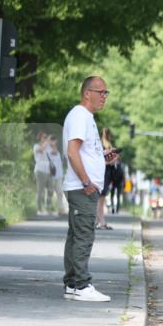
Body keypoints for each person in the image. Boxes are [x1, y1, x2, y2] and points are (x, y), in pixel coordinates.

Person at [62, 76, 117, 301]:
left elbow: (84, 152)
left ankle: (72, 284)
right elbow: (72, 151)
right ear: (87, 93)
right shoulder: (80, 116)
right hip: (82, 187)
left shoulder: (86, 118)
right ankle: (82, 286)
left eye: (106, 92)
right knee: (84, 236)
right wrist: (86, 182)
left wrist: (103, 156)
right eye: (100, 92)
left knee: (76, 235)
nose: (104, 96)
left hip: (83, 186)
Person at [96, 128, 116, 230]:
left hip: (106, 173)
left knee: (101, 199)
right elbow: (98, 160)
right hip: (103, 173)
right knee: (100, 199)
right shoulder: (102, 145)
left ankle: (98, 221)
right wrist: (111, 161)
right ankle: (101, 222)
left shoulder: (103, 145)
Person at [33, 131, 54, 214]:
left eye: (46, 137)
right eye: (44, 137)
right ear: (40, 138)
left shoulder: (47, 147)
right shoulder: (36, 146)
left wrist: (52, 144)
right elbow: (41, 150)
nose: (46, 138)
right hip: (40, 171)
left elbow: (54, 153)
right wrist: (47, 141)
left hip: (48, 171)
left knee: (51, 190)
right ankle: (39, 209)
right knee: (40, 191)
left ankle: (48, 207)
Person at [46, 136, 66, 215]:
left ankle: (61, 209)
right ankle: (48, 208)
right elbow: (53, 153)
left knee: (60, 192)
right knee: (50, 192)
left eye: (54, 140)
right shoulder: (48, 149)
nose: (53, 142)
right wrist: (50, 143)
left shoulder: (58, 150)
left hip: (59, 174)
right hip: (51, 174)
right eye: (52, 140)